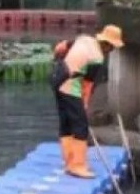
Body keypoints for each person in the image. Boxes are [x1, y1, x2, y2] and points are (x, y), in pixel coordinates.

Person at [51, 25, 124, 179]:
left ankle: (69, 161)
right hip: (70, 86)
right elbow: (87, 85)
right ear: (106, 44)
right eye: (111, 47)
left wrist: (58, 54)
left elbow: (63, 46)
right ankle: (77, 166)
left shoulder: (85, 39)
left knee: (66, 123)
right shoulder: (97, 58)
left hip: (56, 78)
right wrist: (83, 105)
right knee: (81, 126)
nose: (111, 51)